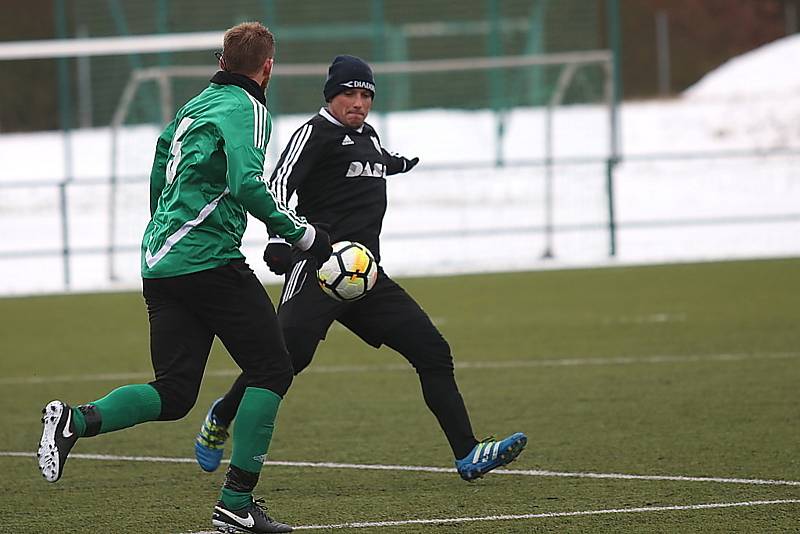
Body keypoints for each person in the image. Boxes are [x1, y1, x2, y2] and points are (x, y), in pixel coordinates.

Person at [36, 22, 331, 534]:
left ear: (221, 61)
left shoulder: (193, 106)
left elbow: (158, 161)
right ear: (267, 67)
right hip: (208, 261)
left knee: (174, 394)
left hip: (160, 262)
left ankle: (75, 421)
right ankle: (236, 505)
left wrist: (163, 231)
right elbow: (246, 183)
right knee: (272, 370)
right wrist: (300, 234)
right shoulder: (250, 108)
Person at [193, 55, 527, 482]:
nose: (359, 102)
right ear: (331, 96)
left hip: (366, 276)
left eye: (366, 94)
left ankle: (468, 453)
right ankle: (222, 413)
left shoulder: (366, 134)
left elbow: (371, 159)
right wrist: (279, 241)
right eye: (349, 94)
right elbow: (277, 184)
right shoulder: (313, 134)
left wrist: (396, 163)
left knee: (432, 351)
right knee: (281, 364)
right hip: (319, 271)